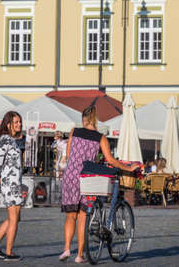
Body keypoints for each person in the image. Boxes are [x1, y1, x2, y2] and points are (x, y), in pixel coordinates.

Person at [59, 105, 139, 264]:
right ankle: (79, 255)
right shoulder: (100, 138)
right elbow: (110, 160)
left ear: (83, 119)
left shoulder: (74, 132)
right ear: (96, 119)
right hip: (87, 177)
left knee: (70, 216)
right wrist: (128, 167)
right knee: (83, 217)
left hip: (70, 176)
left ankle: (67, 248)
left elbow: (68, 155)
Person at [0, 111, 23, 262]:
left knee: (15, 218)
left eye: (20, 122)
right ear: (8, 124)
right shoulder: (6, 139)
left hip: (14, 183)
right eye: (16, 122)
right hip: (10, 183)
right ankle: (9, 252)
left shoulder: (11, 140)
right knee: (14, 218)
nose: (19, 124)